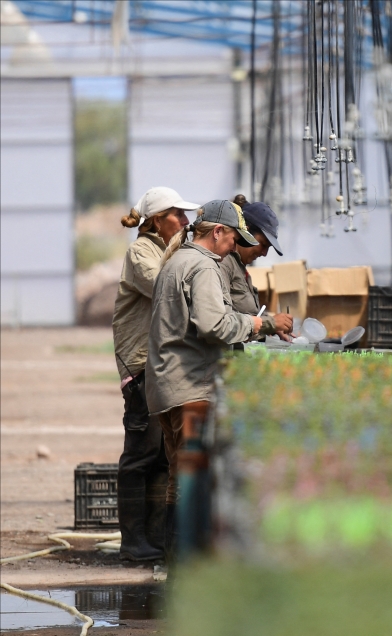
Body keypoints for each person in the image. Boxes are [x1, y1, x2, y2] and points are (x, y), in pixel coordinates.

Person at [145, 199, 264, 556]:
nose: (236, 247)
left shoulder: (177, 261)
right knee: (189, 481)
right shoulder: (203, 267)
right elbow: (213, 325)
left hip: (167, 385)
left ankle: (175, 570)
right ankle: (184, 573)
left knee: (177, 478)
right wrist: (257, 324)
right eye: (233, 239)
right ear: (218, 232)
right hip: (189, 387)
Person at [112, 186, 199, 561]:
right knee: (141, 453)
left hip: (160, 363)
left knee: (164, 455)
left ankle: (154, 537)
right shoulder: (141, 252)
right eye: (177, 216)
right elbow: (166, 286)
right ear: (155, 221)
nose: (185, 222)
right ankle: (132, 541)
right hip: (142, 363)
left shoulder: (168, 251)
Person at [221, 195, 293, 338]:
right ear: (245, 232)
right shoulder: (223, 263)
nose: (264, 253)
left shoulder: (239, 266)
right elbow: (221, 322)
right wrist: (270, 322)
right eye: (263, 244)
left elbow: (245, 313)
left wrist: (271, 325)